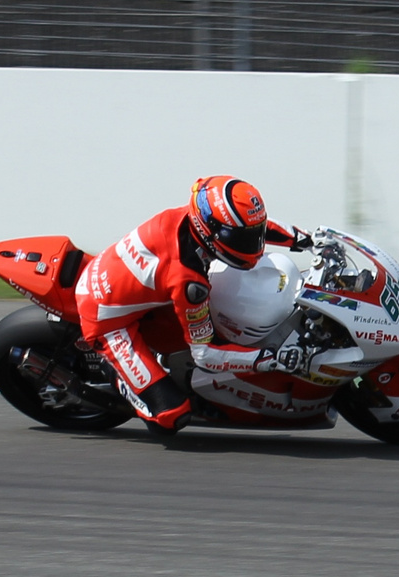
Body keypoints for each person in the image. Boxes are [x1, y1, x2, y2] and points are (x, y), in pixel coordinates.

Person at [74, 176, 316, 432]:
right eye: (243, 240)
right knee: (170, 416)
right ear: (210, 232)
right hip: (106, 319)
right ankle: (111, 370)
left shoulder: (194, 218)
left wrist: (306, 239)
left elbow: (254, 226)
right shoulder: (188, 280)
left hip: (130, 287)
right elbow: (205, 355)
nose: (254, 247)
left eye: (254, 234)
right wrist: (271, 360)